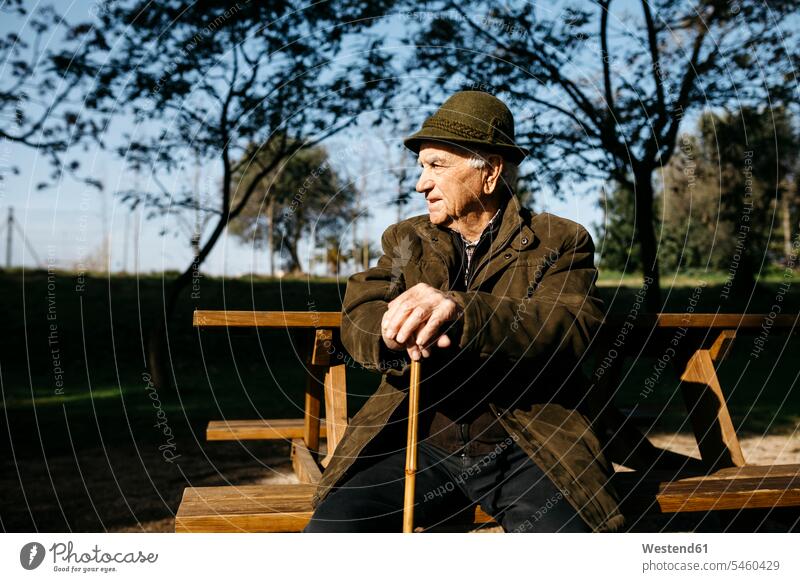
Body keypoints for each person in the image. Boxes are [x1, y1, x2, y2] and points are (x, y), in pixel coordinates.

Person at [303, 90, 623, 533]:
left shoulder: (560, 239)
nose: (421, 184)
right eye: (421, 167)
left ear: (489, 172)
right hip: (419, 444)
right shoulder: (405, 239)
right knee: (332, 534)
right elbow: (361, 306)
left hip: (525, 445)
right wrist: (388, 331)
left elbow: (570, 323)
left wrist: (460, 311)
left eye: (437, 166)